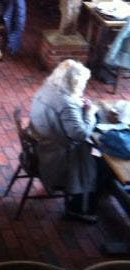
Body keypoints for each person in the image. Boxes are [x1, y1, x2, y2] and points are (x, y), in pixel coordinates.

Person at [29, 59, 100, 222]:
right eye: (82, 83)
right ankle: (79, 209)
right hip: (56, 154)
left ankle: (85, 197)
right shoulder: (66, 103)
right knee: (96, 163)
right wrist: (89, 113)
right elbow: (80, 134)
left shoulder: (48, 88)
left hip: (41, 145)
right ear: (73, 82)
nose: (83, 86)